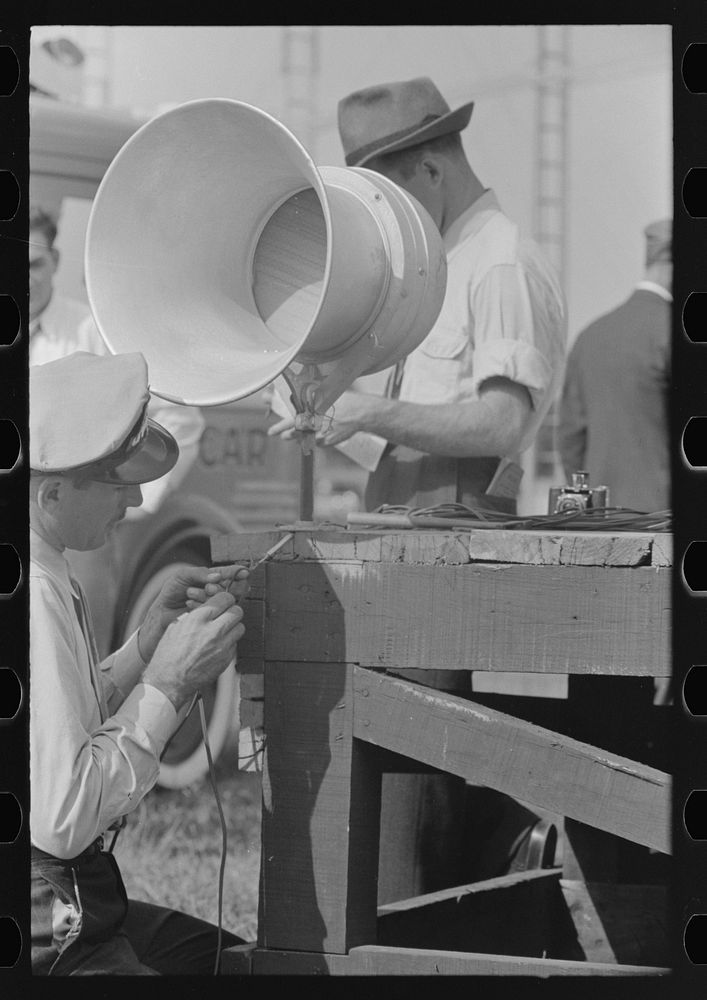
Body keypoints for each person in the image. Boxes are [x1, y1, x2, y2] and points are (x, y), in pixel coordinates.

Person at [268, 76, 568, 903]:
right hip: (404, 558)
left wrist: (369, 404)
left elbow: (501, 424)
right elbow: (409, 421)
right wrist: (331, 404)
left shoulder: (498, 260)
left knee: (413, 807)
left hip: (450, 560)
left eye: (386, 197)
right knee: (390, 794)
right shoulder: (443, 262)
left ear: (430, 168)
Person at [30, 350, 248, 975]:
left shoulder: (45, 560)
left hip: (59, 900)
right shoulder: (36, 590)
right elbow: (64, 821)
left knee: (232, 961)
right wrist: (170, 682)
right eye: (118, 481)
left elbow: (57, 726)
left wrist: (147, 643)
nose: (135, 498)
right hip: (46, 919)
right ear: (52, 492)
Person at [29, 205, 206, 656]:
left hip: (72, 538)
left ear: (56, 263)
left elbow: (180, 416)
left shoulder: (93, 330)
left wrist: (128, 499)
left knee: (79, 664)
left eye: (34, 265)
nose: (24, 279)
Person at [558, 218, 672, 512]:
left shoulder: (590, 336)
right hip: (664, 523)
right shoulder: (674, 332)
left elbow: (570, 439)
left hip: (601, 520)